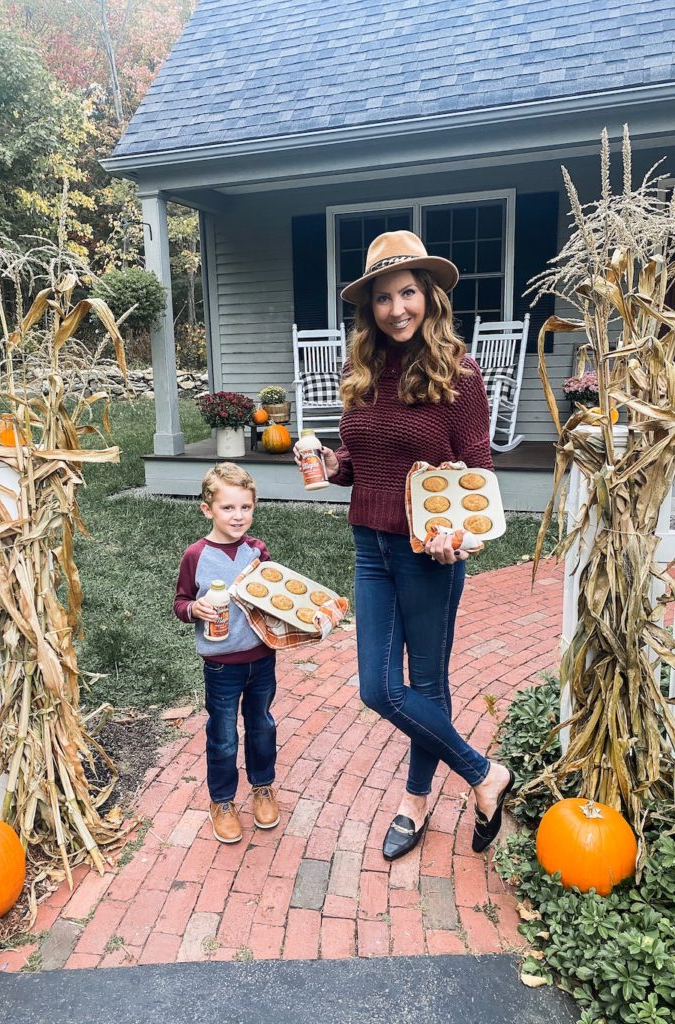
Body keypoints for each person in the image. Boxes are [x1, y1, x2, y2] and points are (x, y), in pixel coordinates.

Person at [307, 230, 513, 861]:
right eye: (383, 298)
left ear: (428, 295)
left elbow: (477, 474)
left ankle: (415, 801)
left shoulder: (460, 373)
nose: (397, 309)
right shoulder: (362, 371)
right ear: (369, 307)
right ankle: (485, 774)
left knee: (426, 681)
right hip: (370, 547)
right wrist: (328, 462)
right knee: (378, 687)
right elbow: (362, 463)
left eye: (408, 293)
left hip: (429, 553)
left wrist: (460, 537)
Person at [173, 462, 280, 844]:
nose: (238, 516)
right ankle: (222, 800)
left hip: (261, 658)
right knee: (222, 735)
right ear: (208, 510)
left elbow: (272, 594)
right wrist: (194, 610)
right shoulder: (196, 556)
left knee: (262, 726)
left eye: (245, 508)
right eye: (228, 508)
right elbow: (181, 602)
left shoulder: (257, 550)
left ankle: (262, 786)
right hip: (221, 665)